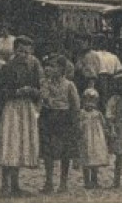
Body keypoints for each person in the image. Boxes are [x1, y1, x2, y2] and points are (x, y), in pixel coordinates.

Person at [0, 36, 43, 199]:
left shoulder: (33, 67)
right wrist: (16, 92)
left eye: (27, 52)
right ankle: (4, 185)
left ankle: (15, 185)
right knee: (10, 144)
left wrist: (32, 92)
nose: (24, 55)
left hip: (27, 107)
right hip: (12, 108)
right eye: (21, 51)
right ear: (15, 51)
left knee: (21, 144)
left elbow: (39, 88)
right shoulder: (7, 68)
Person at [37, 55, 80, 193]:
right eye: (48, 66)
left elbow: (75, 105)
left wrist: (75, 122)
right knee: (47, 151)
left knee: (65, 152)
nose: (49, 68)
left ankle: (63, 183)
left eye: (53, 66)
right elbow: (44, 99)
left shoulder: (69, 85)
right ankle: (48, 181)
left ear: (62, 68)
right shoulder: (45, 83)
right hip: (49, 117)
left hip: (64, 118)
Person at [77, 88, 112, 188]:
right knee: (85, 159)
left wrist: (106, 134)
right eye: (87, 100)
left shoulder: (98, 114)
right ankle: (87, 181)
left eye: (92, 101)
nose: (89, 103)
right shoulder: (81, 113)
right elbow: (78, 125)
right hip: (85, 138)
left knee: (95, 160)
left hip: (96, 139)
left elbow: (104, 125)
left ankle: (95, 180)